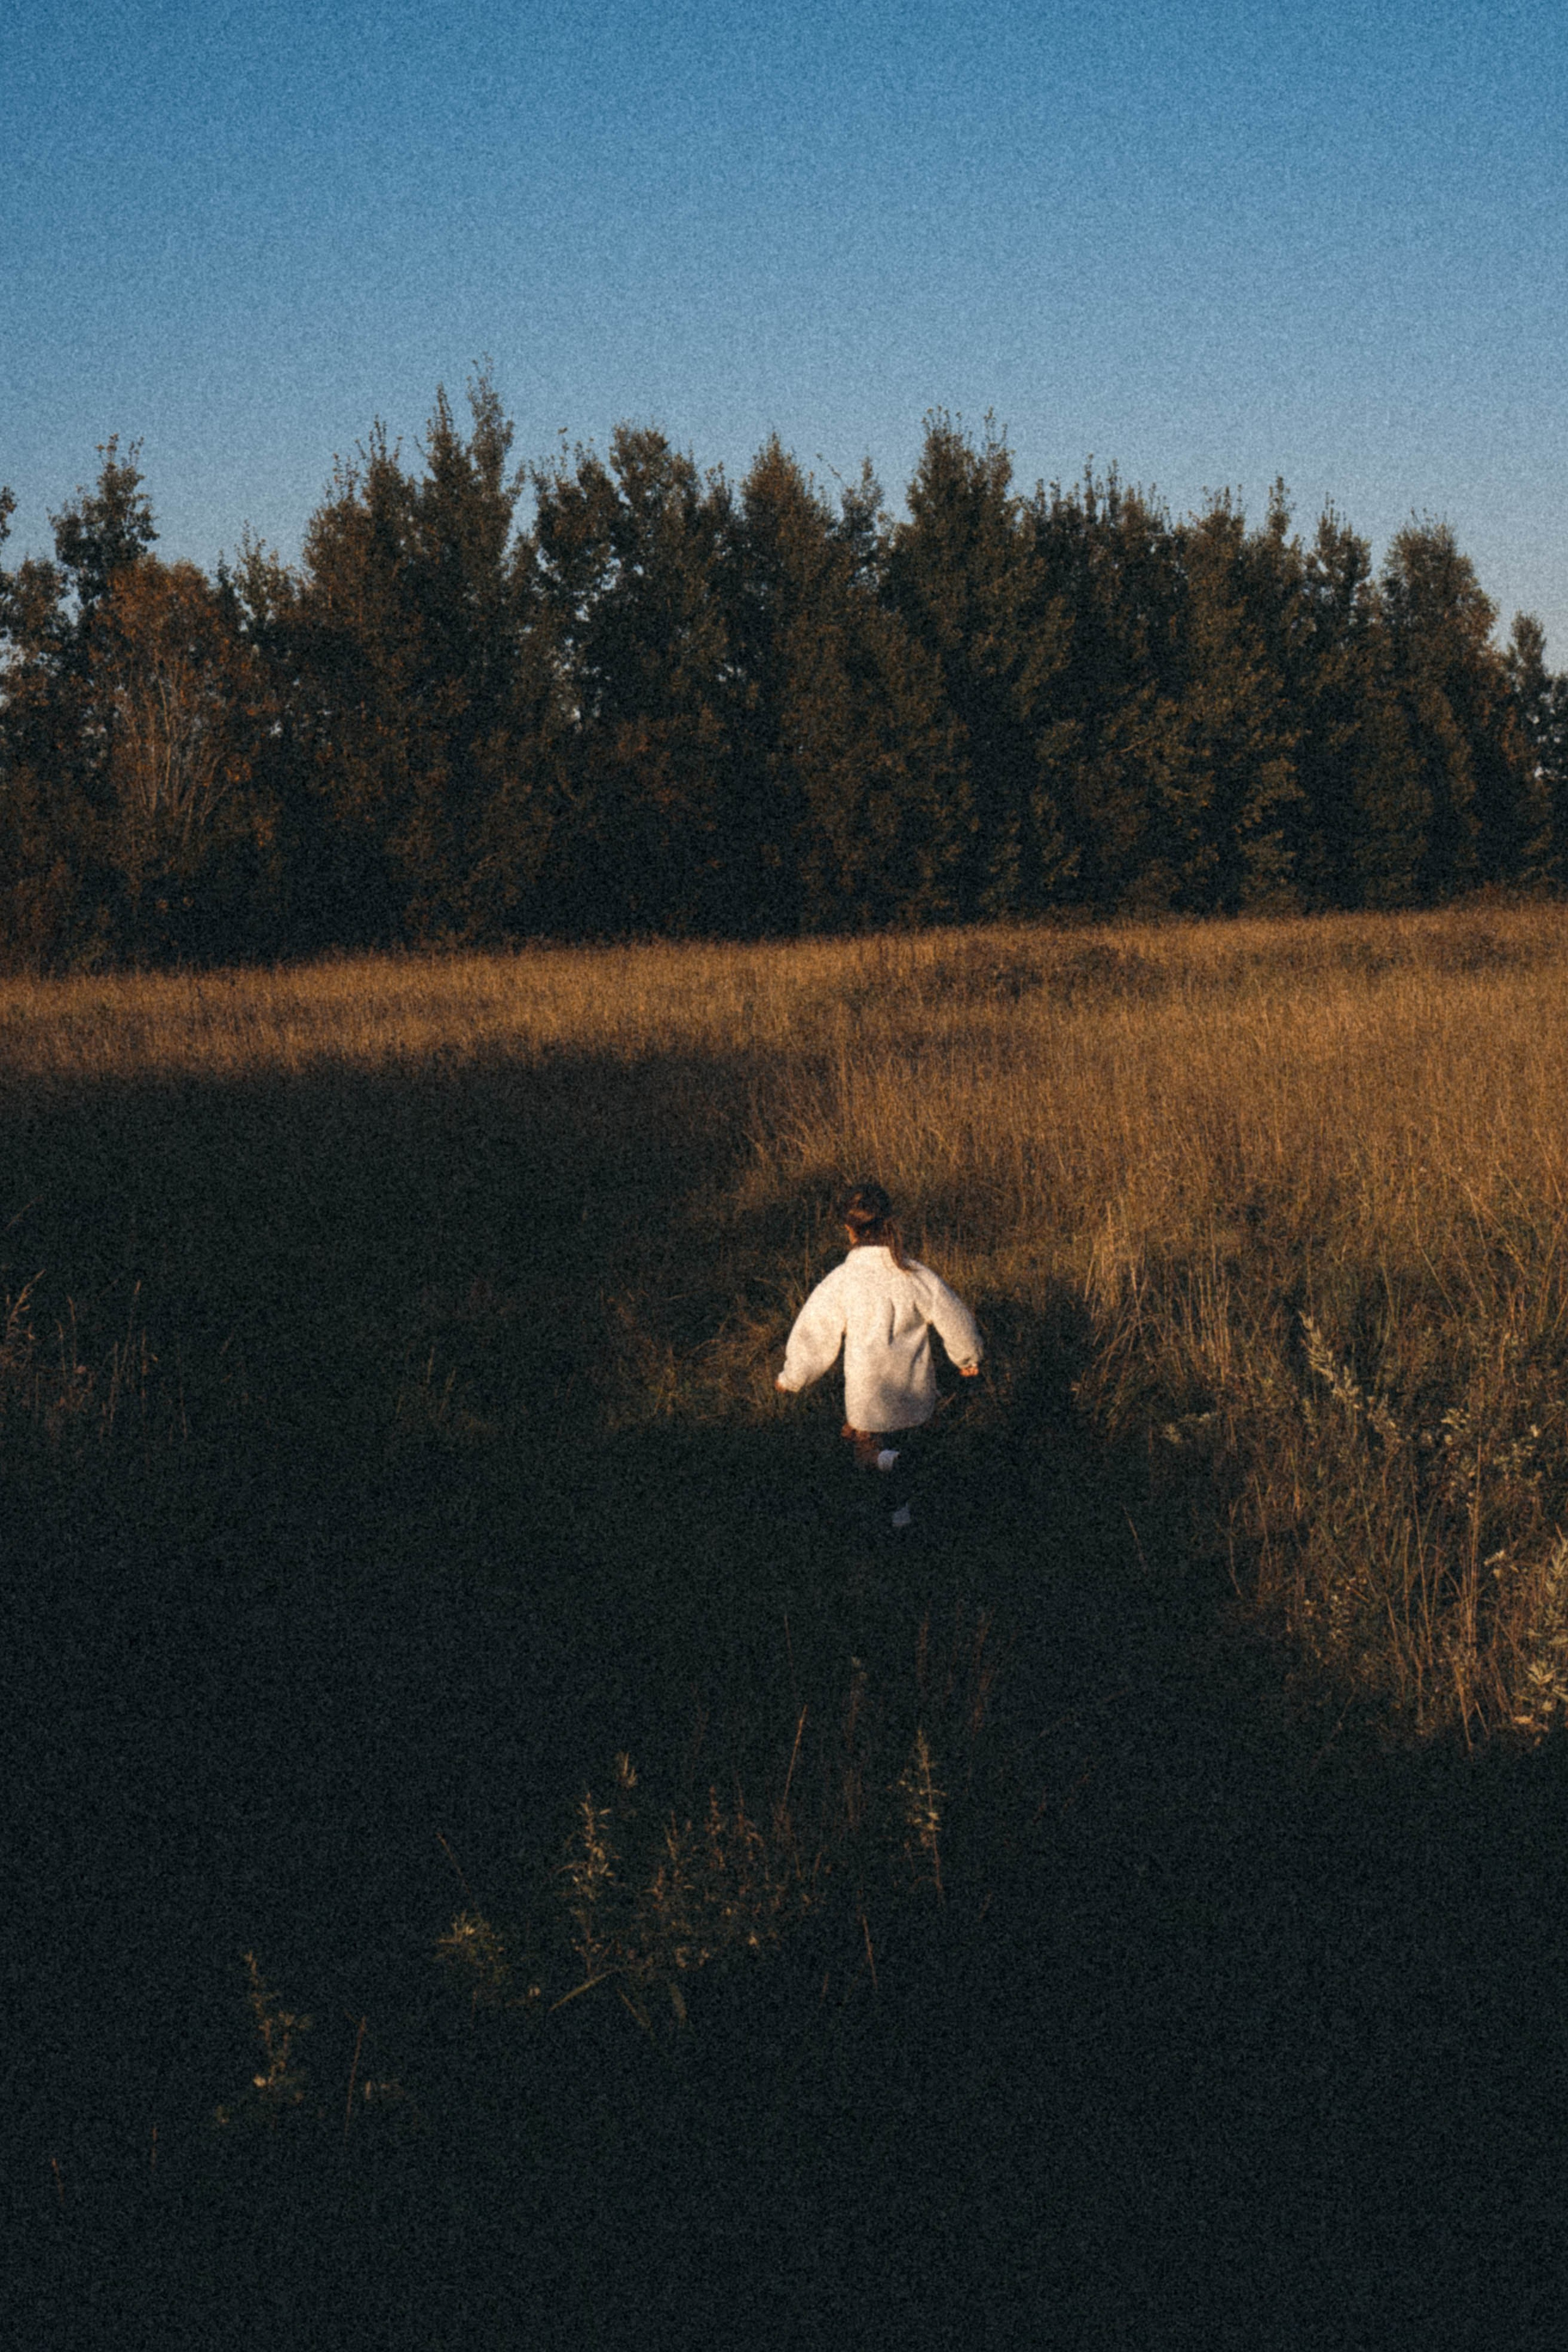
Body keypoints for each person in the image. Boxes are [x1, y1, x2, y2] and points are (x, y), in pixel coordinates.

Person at [775, 1183, 982, 1528]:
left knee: (867, 1459)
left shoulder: (841, 1280)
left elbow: (815, 1333)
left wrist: (792, 1377)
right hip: (916, 1394)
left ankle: (890, 1479)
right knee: (909, 1453)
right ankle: (903, 1519)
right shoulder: (916, 1274)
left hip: (868, 1397)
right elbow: (954, 1316)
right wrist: (967, 1359)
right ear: (890, 1221)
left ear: (848, 1229)